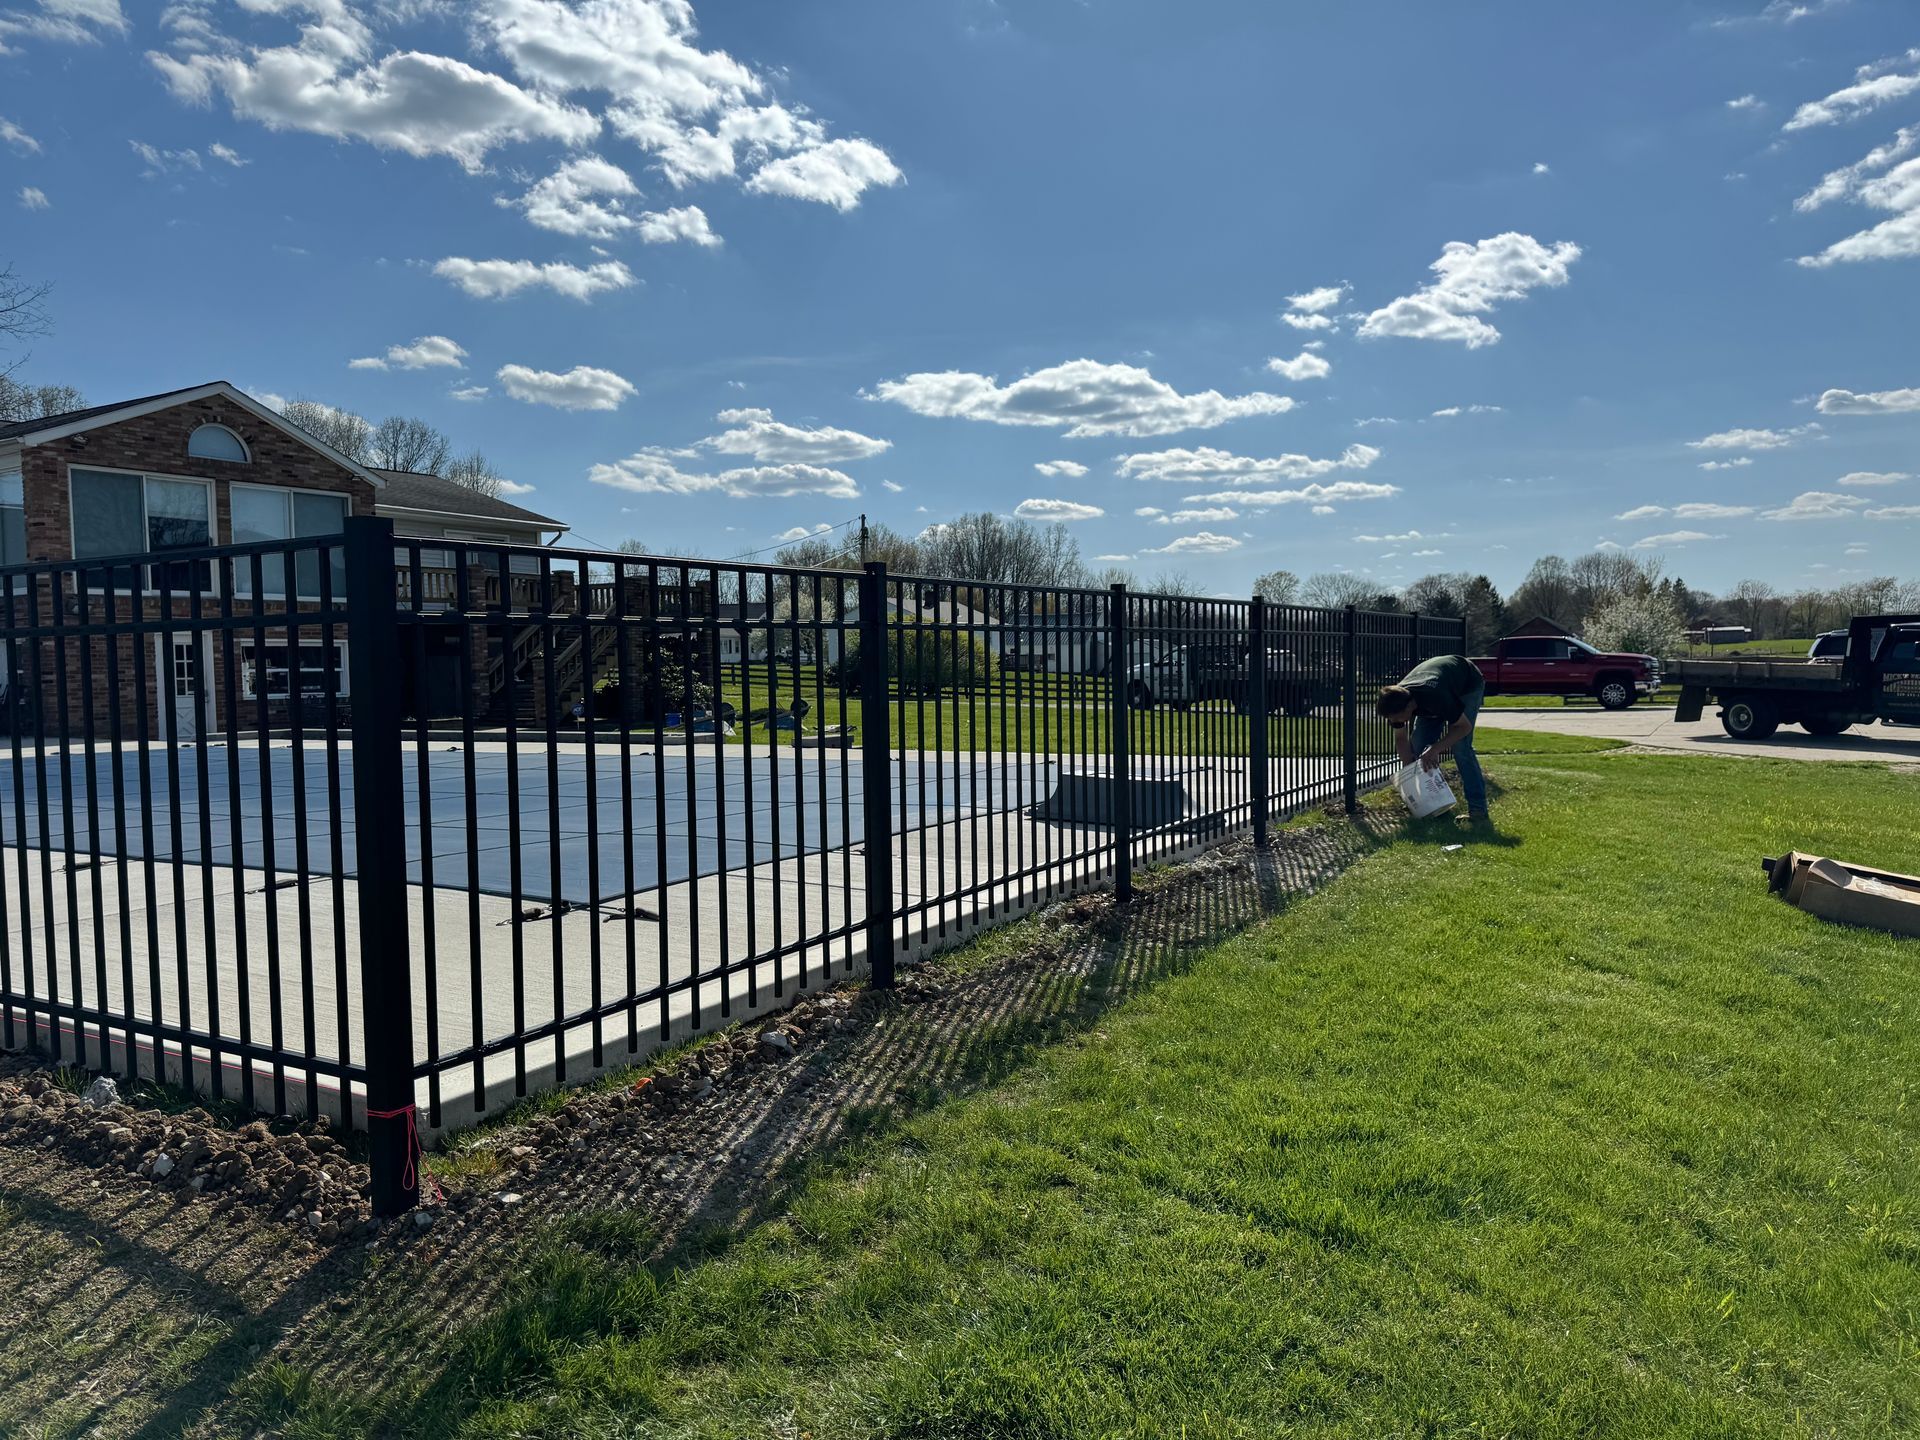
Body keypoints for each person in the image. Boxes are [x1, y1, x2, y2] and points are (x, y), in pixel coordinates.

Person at [1376, 654, 1488, 821]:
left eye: (1398, 718)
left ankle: (1478, 810)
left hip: (1467, 683)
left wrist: (1435, 749)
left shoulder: (1436, 696)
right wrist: (1411, 774)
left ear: (1410, 706)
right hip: (1437, 688)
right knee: (1417, 743)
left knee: (1461, 747)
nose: (1396, 722)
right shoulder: (1397, 699)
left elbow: (1463, 727)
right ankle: (1427, 804)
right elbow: (1401, 740)